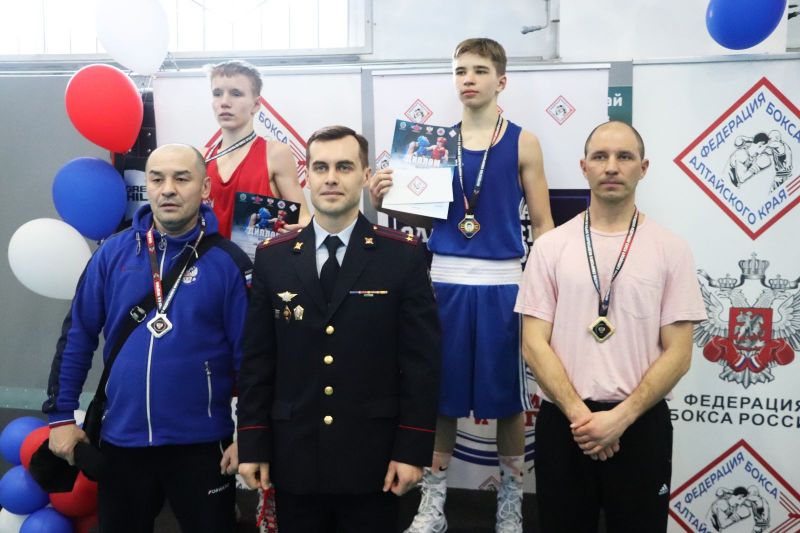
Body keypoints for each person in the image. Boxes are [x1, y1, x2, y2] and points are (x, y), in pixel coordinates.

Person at [370, 37, 553, 533]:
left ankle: (511, 504)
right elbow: (421, 218)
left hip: (503, 283)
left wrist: (547, 290)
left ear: (501, 80)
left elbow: (542, 224)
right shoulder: (432, 142)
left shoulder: (524, 142)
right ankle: (433, 505)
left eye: (478, 70)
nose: (468, 79)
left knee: (509, 402)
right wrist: (384, 200)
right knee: (440, 397)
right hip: (444, 280)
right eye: (459, 71)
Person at [237, 125, 441, 532]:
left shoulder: (402, 256)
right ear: (307, 177)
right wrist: (253, 442)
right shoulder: (273, 257)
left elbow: (422, 364)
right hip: (293, 457)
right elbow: (258, 360)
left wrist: (412, 449)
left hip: (374, 461)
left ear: (365, 176)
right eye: (321, 167)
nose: (331, 178)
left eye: (344, 167)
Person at [44, 144, 252, 533]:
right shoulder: (112, 254)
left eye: (182, 178)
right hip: (122, 441)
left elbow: (251, 358)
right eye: (157, 179)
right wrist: (60, 416)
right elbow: (77, 337)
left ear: (205, 187)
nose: (168, 188)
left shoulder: (229, 263)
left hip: (203, 445)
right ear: (147, 186)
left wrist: (250, 435)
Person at [515, 121, 707, 532]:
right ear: (584, 167)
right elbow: (532, 343)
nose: (612, 167)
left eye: (624, 156)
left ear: (644, 168)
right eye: (600, 156)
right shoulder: (550, 248)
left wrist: (620, 418)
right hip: (565, 423)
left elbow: (679, 353)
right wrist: (582, 418)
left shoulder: (672, 249)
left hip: (640, 424)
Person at [204, 60, 309, 238]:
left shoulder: (275, 154)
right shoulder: (201, 157)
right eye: (217, 93)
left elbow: (303, 218)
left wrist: (297, 232)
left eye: (236, 93)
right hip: (209, 256)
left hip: (258, 255)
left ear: (256, 104)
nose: (224, 102)